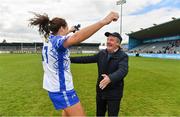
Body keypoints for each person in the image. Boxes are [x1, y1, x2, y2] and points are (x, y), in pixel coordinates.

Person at [29, 12, 119, 116]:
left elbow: (60, 37)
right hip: (62, 90)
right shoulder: (58, 42)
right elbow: (76, 37)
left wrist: (69, 31)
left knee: (66, 113)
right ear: (62, 28)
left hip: (54, 87)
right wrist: (103, 22)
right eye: (66, 28)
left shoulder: (49, 39)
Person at [70, 32, 128, 116]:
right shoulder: (102, 53)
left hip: (114, 93)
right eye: (108, 39)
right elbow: (87, 59)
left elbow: (123, 70)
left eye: (111, 40)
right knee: (99, 114)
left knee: (113, 115)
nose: (108, 41)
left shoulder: (123, 56)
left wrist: (110, 78)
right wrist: (69, 59)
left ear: (118, 44)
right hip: (101, 91)